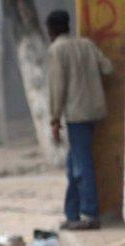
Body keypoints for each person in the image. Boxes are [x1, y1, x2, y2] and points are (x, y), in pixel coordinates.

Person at [47, 9, 113, 231]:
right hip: (95, 111)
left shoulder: (57, 49)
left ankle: (89, 213)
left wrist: (54, 119)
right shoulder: (86, 44)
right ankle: (72, 213)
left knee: (81, 165)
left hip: (76, 115)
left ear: (52, 30)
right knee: (74, 163)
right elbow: (108, 68)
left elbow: (57, 87)